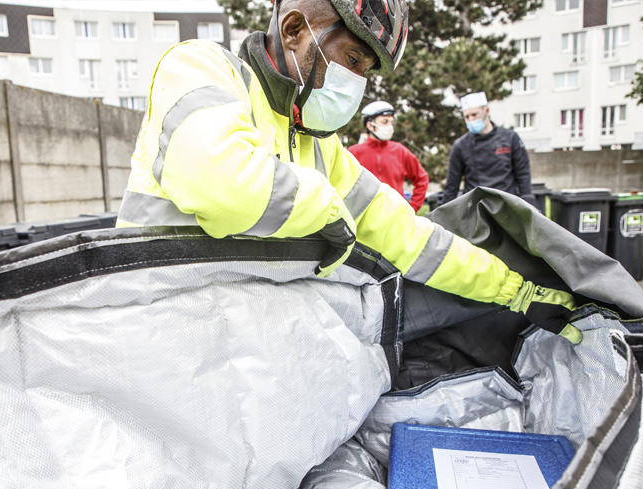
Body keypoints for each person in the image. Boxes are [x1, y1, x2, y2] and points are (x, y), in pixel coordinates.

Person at [116, 0, 581, 344]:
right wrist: (328, 211)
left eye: (368, 72)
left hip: (238, 356)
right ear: (295, 28)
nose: (358, 84)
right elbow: (225, 186)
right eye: (353, 60)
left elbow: (410, 237)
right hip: (158, 340)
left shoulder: (324, 149)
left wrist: (514, 291)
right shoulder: (202, 68)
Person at [438, 92, 535, 206]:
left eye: (475, 115)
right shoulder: (460, 145)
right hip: (477, 208)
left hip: (507, 205)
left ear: (487, 111)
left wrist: (529, 205)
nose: (471, 120)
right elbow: (451, 186)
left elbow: (523, 174)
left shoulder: (510, 138)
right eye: (467, 117)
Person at [348, 100, 429, 213]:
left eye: (391, 122)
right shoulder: (353, 153)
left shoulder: (400, 151)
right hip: (362, 218)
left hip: (396, 218)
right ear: (370, 125)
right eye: (385, 122)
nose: (390, 126)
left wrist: (412, 208)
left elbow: (422, 178)